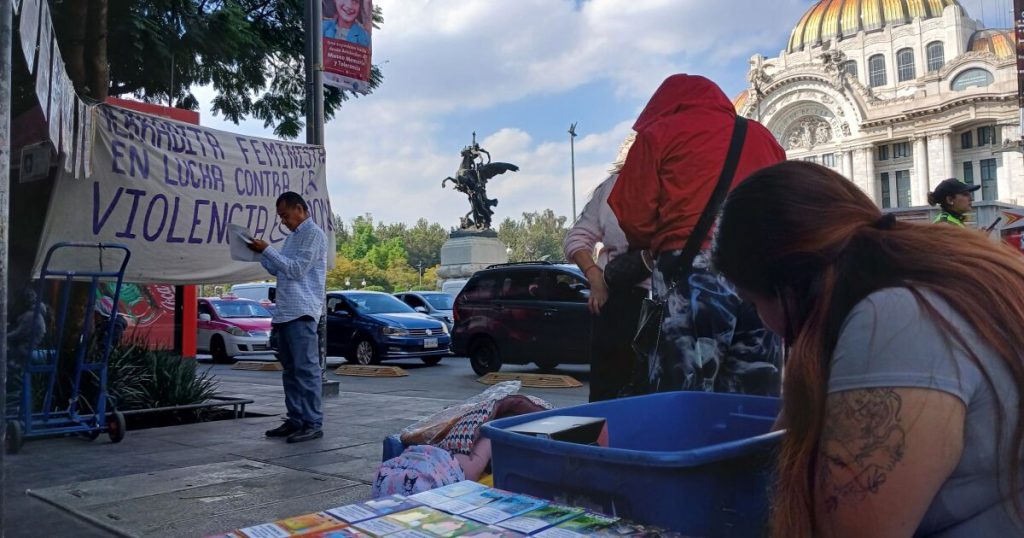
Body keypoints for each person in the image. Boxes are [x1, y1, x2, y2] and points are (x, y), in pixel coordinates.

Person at [711, 161, 1024, 537]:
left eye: (752, 301)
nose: (763, 321)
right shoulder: (937, 275)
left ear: (787, 287)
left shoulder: (893, 321)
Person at [607, 74, 785, 396]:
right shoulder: (762, 136)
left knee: (685, 388)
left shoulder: (659, 134)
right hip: (761, 275)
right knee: (755, 383)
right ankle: (750, 447)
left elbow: (633, 216)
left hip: (693, 271)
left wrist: (650, 245)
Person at [564, 133, 649, 402]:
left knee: (618, 395)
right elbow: (577, 238)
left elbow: (577, 238)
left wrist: (596, 277)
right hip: (626, 299)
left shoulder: (614, 186)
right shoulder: (614, 186)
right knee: (620, 393)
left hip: (633, 301)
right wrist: (595, 277)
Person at [247, 192, 328, 443]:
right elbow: (278, 267)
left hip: (302, 311)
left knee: (306, 370)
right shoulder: (293, 237)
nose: (284, 221)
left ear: (299, 209)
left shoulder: (313, 234)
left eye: (285, 215)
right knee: (290, 371)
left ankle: (312, 422)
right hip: (285, 312)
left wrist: (268, 249)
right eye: (281, 217)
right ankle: (295, 419)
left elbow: (295, 269)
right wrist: (260, 254)